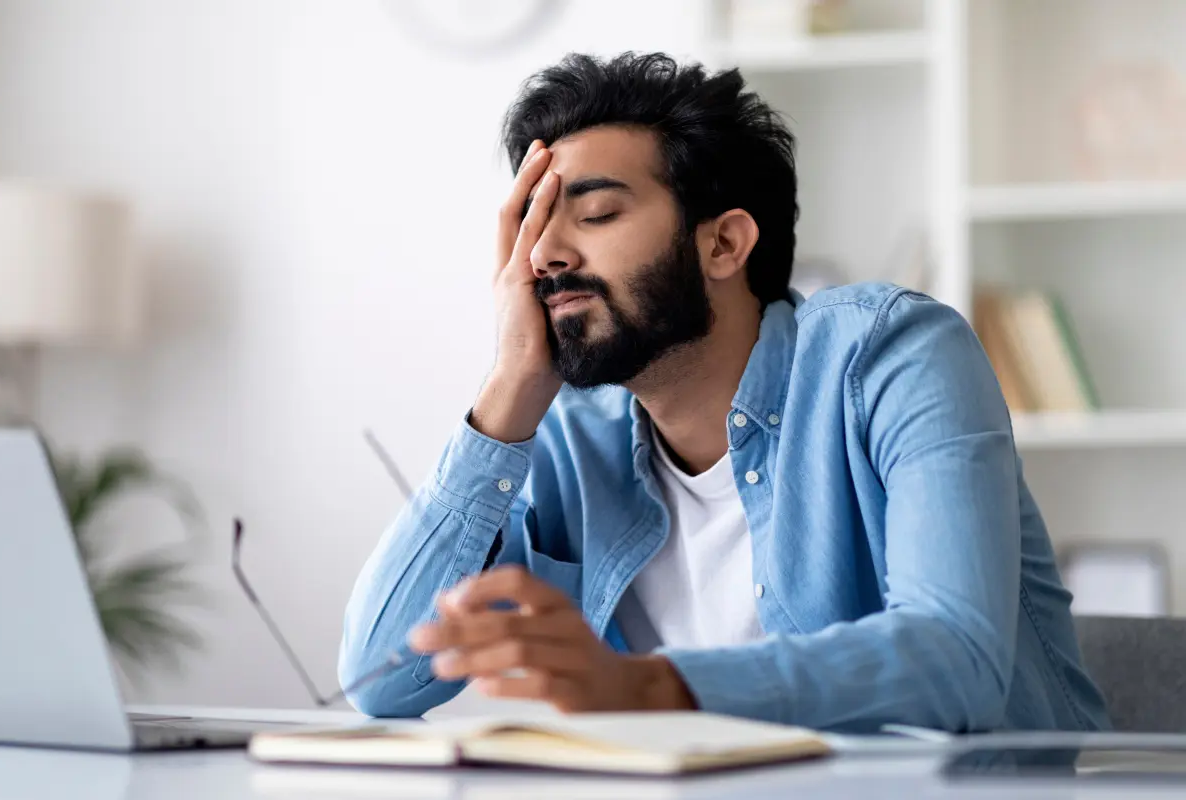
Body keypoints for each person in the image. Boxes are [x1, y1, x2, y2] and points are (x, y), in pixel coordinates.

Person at [338, 51, 1111, 733]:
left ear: (724, 243)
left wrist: (646, 687)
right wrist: (507, 391)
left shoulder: (891, 354)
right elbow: (379, 679)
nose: (543, 256)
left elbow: (957, 659)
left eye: (596, 213)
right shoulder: (568, 431)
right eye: (533, 227)